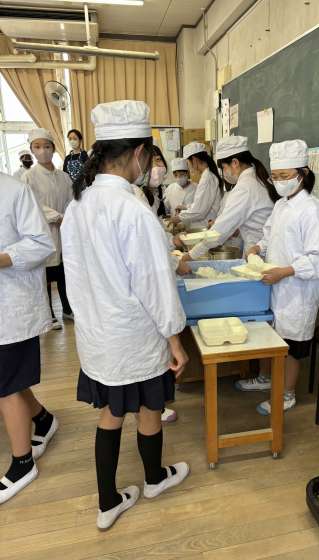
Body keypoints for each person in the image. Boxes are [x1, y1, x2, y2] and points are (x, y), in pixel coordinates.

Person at [61, 100, 190, 531]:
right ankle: (153, 479)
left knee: (111, 413)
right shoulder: (132, 210)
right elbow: (154, 284)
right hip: (135, 336)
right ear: (138, 154)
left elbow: (75, 275)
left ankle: (107, 502)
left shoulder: (79, 204)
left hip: (99, 336)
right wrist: (175, 340)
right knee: (150, 408)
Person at [240, 140, 319, 413]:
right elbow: (269, 235)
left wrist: (285, 271)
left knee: (291, 344)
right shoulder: (281, 205)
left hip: (298, 291)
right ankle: (266, 379)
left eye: (284, 176)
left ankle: (287, 394)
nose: (279, 182)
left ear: (302, 174)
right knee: (270, 336)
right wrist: (257, 247)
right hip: (274, 284)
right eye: (275, 176)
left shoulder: (314, 211)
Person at [0, 173, 59, 504]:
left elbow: (41, 242)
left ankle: (23, 463)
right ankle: (43, 420)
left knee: (5, 385)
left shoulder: (14, 191)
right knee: (11, 378)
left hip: (12, 305)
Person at [179, 136, 278, 262]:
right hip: (262, 247)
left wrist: (189, 256)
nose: (224, 173)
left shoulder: (245, 187)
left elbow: (218, 232)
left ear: (235, 163)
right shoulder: (256, 177)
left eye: (224, 168)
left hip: (260, 252)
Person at [23, 128, 73, 330]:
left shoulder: (64, 177)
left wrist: (68, 217)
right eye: (37, 147)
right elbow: (32, 204)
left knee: (64, 272)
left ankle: (68, 309)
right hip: (43, 231)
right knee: (44, 274)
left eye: (46, 146)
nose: (42, 151)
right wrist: (57, 217)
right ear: (32, 150)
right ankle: (48, 314)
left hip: (64, 230)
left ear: (53, 148)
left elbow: (71, 200)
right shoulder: (29, 177)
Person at [170, 142, 222, 228]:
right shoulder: (207, 175)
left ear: (194, 160)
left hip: (205, 225)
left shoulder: (207, 178)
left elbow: (199, 211)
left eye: (188, 163)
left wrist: (179, 217)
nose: (189, 166)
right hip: (204, 225)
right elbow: (201, 204)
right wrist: (185, 207)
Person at [142, 145, 168, 217]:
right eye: (149, 162)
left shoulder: (158, 190)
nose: (155, 166)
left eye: (158, 159)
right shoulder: (139, 195)